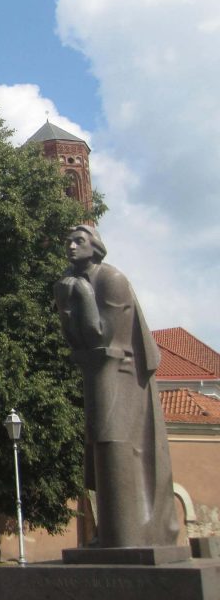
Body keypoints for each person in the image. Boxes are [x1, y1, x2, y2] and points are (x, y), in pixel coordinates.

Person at [54, 225, 178, 548]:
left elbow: (104, 338)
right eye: (67, 241)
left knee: (112, 442)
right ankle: (112, 534)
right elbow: (75, 341)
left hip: (122, 374)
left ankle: (126, 537)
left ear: (95, 248)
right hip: (96, 371)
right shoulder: (72, 280)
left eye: (78, 241)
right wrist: (66, 303)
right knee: (97, 447)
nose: (70, 246)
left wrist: (81, 294)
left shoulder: (112, 281)